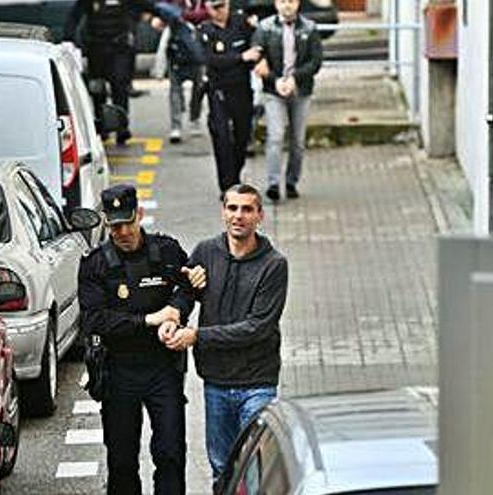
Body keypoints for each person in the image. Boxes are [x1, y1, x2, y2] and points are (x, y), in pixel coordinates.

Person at [78, 184, 206, 494]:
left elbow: (189, 286)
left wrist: (175, 311)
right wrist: (148, 320)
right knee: (122, 461)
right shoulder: (95, 264)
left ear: (140, 215)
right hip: (119, 371)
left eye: (127, 221)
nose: (122, 231)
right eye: (114, 225)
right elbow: (94, 320)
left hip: (163, 369)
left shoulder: (166, 251)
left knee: (170, 454)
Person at [160, 183, 288, 490]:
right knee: (222, 466)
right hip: (216, 381)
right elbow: (184, 293)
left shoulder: (274, 265)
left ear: (260, 215)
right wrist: (174, 316)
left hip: (257, 382)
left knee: (254, 471)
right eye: (232, 208)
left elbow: (257, 327)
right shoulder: (206, 252)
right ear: (223, 212)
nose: (238, 216)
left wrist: (196, 336)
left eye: (247, 209)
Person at [64, 0, 164, 146]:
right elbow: (74, 16)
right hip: (96, 47)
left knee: (119, 86)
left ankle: (122, 127)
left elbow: (148, 6)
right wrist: (69, 39)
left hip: (119, 48)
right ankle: (103, 125)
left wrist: (168, 16)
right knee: (98, 89)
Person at [251, 0, 323, 201]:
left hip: (300, 90)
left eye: (291, 1)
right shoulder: (265, 28)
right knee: (275, 136)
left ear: (298, 4)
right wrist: (275, 80)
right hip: (273, 90)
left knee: (298, 140)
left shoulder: (309, 28)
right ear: (275, 4)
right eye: (282, 1)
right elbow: (257, 56)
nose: (287, 6)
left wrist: (294, 78)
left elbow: (316, 61)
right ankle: (273, 183)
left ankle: (291, 181)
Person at [198, 0, 258, 196]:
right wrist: (239, 58)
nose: (220, 11)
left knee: (242, 137)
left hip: (241, 89)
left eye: (222, 5)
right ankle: (227, 186)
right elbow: (211, 60)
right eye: (215, 7)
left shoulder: (241, 24)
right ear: (207, 8)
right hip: (218, 92)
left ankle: (235, 177)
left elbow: (256, 48)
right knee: (222, 138)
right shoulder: (205, 31)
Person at [165, 0, 208, 143]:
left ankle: (194, 117)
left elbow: (208, 11)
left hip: (197, 49)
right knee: (175, 89)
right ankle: (175, 126)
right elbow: (166, 11)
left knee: (199, 87)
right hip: (177, 49)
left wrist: (184, 15)